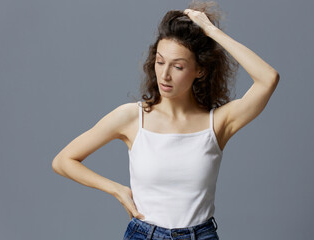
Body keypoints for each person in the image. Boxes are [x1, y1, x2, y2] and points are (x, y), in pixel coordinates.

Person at [52, 1, 279, 239]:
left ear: (200, 70)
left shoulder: (218, 123)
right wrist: (116, 190)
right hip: (143, 234)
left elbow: (268, 78)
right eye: (160, 62)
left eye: (178, 66)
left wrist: (212, 31)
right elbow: (63, 161)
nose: (165, 74)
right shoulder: (132, 117)